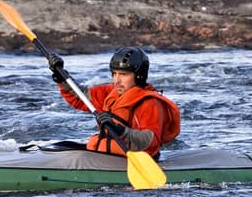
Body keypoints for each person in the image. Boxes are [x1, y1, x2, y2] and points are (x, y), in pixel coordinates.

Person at [46, 48, 181, 156]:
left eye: (123, 74)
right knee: (63, 146)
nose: (117, 80)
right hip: (107, 155)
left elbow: (150, 142)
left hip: (133, 159)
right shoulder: (112, 92)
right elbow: (79, 96)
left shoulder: (150, 103)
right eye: (114, 73)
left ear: (139, 75)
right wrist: (61, 76)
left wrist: (120, 130)